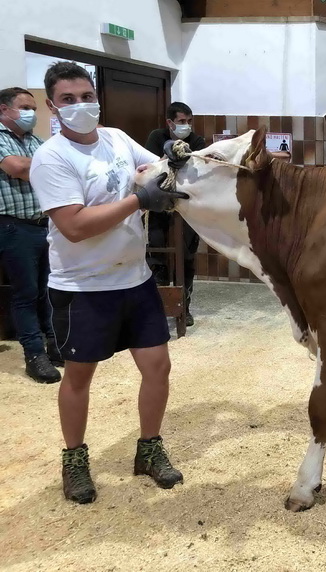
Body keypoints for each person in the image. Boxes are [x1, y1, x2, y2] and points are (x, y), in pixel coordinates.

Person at [29, 62, 186, 504]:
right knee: (80, 376)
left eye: (86, 96)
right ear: (52, 106)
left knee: (158, 367)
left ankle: (149, 449)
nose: (81, 106)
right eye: (68, 99)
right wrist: (138, 197)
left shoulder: (116, 138)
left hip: (134, 279)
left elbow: (153, 167)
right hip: (82, 286)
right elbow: (75, 225)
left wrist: (168, 160)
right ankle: (74, 459)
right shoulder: (52, 157)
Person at [0, 87, 62, 383]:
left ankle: (56, 346)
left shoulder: (35, 140)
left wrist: (37, 167)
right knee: (26, 293)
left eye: (33, 108)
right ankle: (34, 354)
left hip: (43, 224)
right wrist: (43, 166)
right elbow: (15, 167)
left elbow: (44, 169)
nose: (31, 114)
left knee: (50, 290)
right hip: (13, 227)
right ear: (4, 110)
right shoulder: (0, 138)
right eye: (24, 107)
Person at [144, 102, 205, 327]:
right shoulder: (156, 137)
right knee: (156, 255)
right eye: (181, 122)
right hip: (159, 205)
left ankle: (184, 307)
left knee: (186, 257)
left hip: (186, 206)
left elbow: (197, 172)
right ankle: (158, 308)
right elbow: (151, 168)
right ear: (170, 123)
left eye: (189, 122)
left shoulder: (197, 141)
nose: (186, 126)